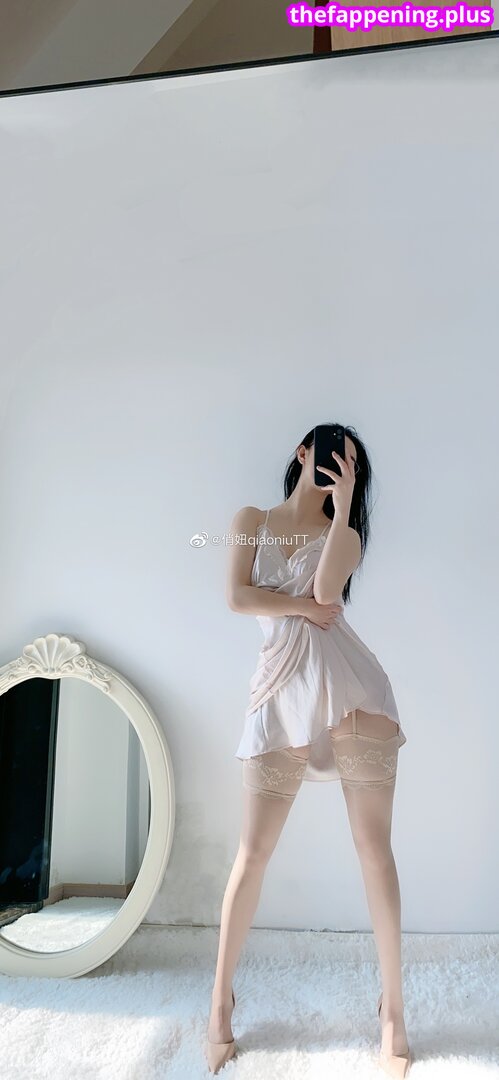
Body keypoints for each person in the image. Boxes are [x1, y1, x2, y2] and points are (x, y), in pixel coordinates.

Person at [205, 424, 412, 1078]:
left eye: (351, 467)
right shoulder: (252, 520)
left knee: (373, 849)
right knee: (253, 853)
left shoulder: (345, 536)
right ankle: (219, 1002)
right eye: (330, 459)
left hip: (353, 692)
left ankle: (393, 1011)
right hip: (279, 692)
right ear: (303, 454)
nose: (337, 470)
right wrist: (296, 609)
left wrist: (343, 507)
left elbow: (326, 596)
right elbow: (237, 597)